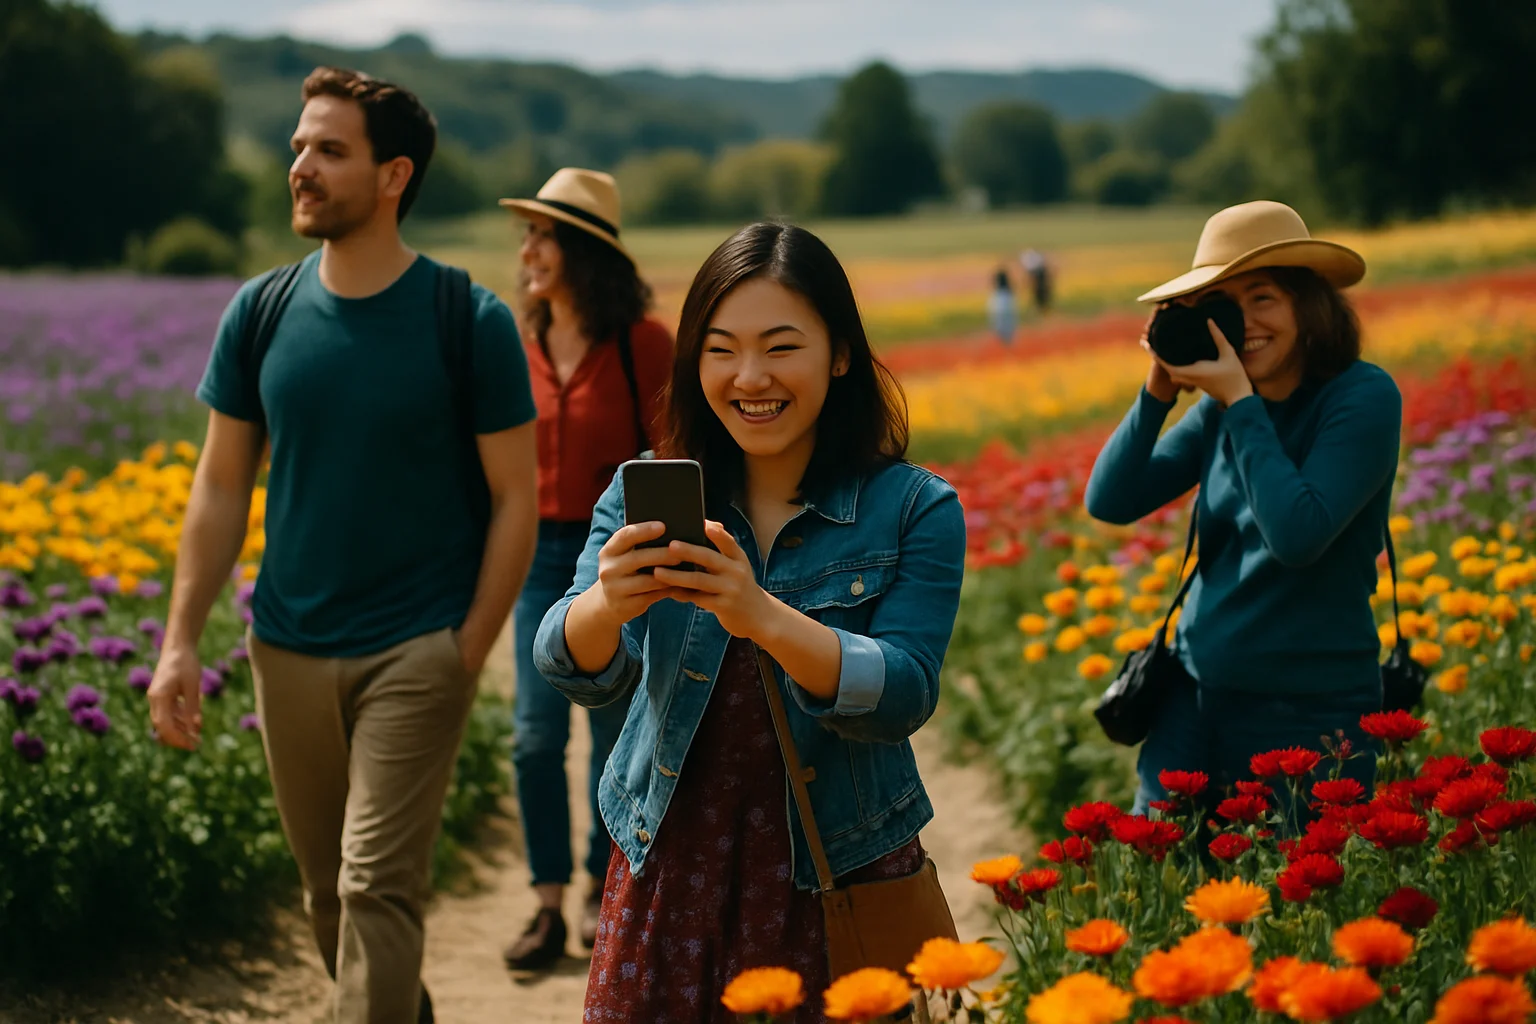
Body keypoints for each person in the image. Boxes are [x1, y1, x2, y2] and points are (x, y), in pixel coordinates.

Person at [148, 67, 538, 1024]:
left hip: (416, 648)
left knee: (375, 888)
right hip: (285, 646)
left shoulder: (468, 320)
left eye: (329, 150)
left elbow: (516, 498)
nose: (301, 168)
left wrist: (465, 650)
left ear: (394, 174)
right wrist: (179, 640)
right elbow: (221, 485)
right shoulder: (262, 313)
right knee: (329, 898)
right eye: (297, 147)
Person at [533, 222, 967, 1021]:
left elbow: (905, 690)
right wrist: (609, 600)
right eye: (721, 348)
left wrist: (760, 615)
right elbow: (568, 661)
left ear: (840, 354)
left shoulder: (913, 508)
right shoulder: (646, 494)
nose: (749, 377)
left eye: (781, 346)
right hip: (670, 860)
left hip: (838, 868)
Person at [1083, 200, 1400, 819]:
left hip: (1310, 715)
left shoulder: (1360, 398)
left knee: (1293, 904)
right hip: (1192, 700)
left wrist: (1237, 400)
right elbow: (1111, 500)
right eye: (1226, 306)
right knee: (1171, 894)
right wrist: (1158, 390)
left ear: (1308, 307)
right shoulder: (1220, 411)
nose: (1246, 323)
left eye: (1264, 298)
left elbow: (1298, 535)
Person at [496, 168, 674, 970]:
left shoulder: (643, 345)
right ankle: (543, 905)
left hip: (619, 558)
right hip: (535, 555)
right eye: (527, 235)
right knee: (533, 739)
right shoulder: (514, 342)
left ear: (582, 252)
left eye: (543, 236)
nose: (527, 250)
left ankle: (609, 902)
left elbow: (677, 453)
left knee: (614, 738)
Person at [987, 266, 1016, 346]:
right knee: (1007, 330)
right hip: (1006, 314)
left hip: (999, 314)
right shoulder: (1008, 294)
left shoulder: (995, 295)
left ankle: (1003, 343)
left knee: (1000, 329)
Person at [1021, 247, 1052, 314]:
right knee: (1039, 296)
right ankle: (1041, 309)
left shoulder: (1038, 269)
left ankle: (1043, 309)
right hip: (1039, 285)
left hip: (1040, 285)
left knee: (1041, 296)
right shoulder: (1038, 268)